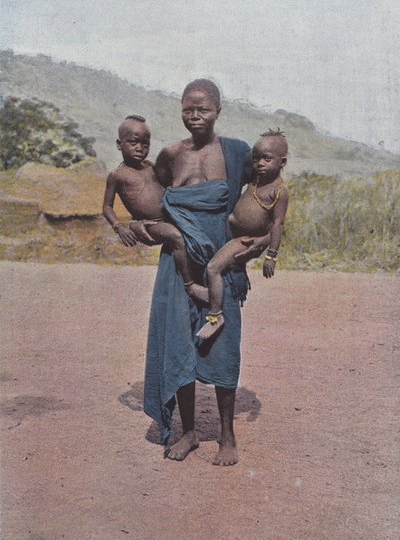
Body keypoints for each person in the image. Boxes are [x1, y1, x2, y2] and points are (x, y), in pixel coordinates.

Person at [130, 79, 270, 466]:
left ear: (218, 111)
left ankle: (227, 434)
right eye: (188, 108)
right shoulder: (169, 156)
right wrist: (135, 225)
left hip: (221, 264)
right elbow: (148, 197)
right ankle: (189, 432)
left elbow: (269, 194)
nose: (195, 115)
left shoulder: (238, 153)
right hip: (177, 266)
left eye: (203, 108)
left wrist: (261, 243)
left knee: (223, 343)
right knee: (180, 345)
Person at [102, 115, 208, 303]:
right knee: (176, 237)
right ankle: (190, 285)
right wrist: (120, 227)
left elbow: (168, 185)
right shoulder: (117, 175)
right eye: (133, 142)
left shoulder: (150, 166)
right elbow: (107, 207)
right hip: (152, 224)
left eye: (145, 144)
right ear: (119, 144)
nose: (140, 148)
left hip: (170, 215)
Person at [197, 130, 289, 339]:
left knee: (213, 269)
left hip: (245, 241)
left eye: (267, 158)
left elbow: (278, 224)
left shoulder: (279, 192)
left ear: (282, 162)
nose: (260, 163)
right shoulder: (256, 180)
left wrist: (271, 255)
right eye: (256, 158)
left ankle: (215, 315)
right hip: (233, 236)